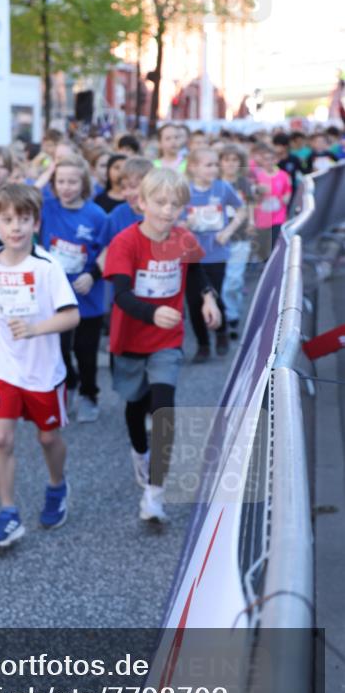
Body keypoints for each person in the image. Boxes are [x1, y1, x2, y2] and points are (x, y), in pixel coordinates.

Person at [104, 168, 220, 523]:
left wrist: (207, 298)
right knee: (134, 406)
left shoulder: (183, 238)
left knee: (163, 411)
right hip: (129, 339)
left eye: (175, 204)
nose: (168, 211)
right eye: (160, 202)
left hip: (167, 341)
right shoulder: (125, 242)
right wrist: (152, 313)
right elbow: (121, 294)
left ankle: (154, 495)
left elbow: (195, 272)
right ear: (141, 203)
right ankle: (139, 452)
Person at [0, 183, 79, 548]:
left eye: (23, 219)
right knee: (0, 438)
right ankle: (8, 513)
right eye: (7, 220)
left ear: (36, 223)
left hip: (43, 371)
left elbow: (71, 316)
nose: (15, 227)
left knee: (47, 437)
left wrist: (35, 329)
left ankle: (57, 486)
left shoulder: (47, 267)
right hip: (6, 365)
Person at [39, 154, 107, 422]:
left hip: (86, 293)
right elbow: (23, 195)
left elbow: (109, 250)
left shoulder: (96, 215)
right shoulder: (46, 208)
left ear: (84, 184)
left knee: (85, 350)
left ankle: (90, 394)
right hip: (55, 295)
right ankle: (69, 385)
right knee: (58, 347)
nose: (66, 187)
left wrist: (92, 275)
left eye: (72, 182)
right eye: (60, 181)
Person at [183, 148, 245, 362]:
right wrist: (186, 224)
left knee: (214, 294)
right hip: (191, 256)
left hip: (216, 253)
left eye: (215, 165)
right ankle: (202, 344)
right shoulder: (185, 191)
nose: (214, 169)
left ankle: (221, 332)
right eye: (208, 165)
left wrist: (228, 231)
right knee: (194, 301)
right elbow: (176, 219)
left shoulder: (222, 187)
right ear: (193, 167)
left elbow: (241, 209)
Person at [218, 144, 254, 341]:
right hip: (216, 239)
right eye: (226, 160)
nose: (231, 164)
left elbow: (249, 206)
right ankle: (220, 314)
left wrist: (252, 222)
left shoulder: (244, 183)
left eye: (235, 160)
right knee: (219, 279)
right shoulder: (215, 183)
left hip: (240, 237)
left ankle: (232, 315)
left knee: (233, 279)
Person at [250, 141, 292, 255]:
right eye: (266, 159)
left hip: (278, 216)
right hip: (262, 216)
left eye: (271, 159)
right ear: (261, 161)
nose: (269, 162)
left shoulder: (283, 175)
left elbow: (288, 189)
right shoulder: (257, 176)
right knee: (262, 246)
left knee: (274, 243)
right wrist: (258, 192)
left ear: (276, 160)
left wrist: (287, 197)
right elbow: (252, 196)